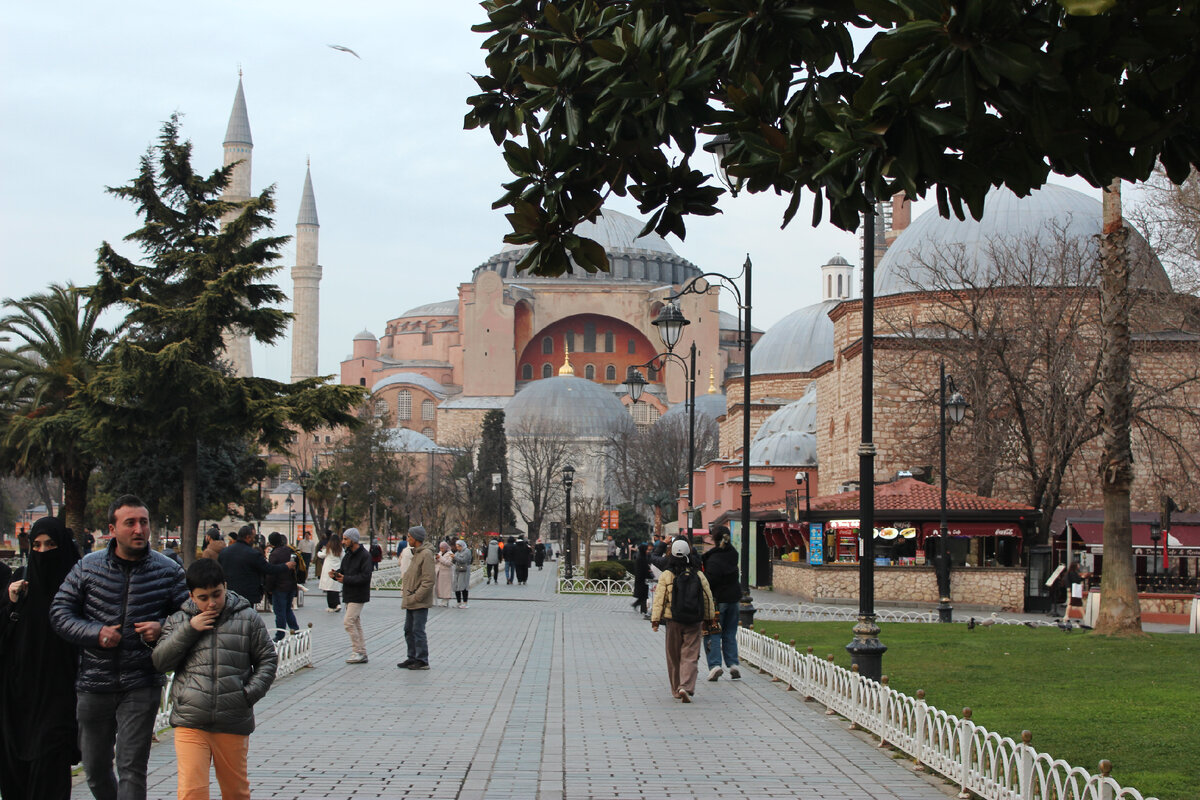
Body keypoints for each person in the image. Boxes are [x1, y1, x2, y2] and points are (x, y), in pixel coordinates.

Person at [49, 494, 188, 800]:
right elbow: (59, 612)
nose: (139, 529)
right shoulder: (88, 567)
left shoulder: (168, 570)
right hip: (94, 682)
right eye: (130, 523)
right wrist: (94, 632)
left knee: (132, 766)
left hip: (142, 682)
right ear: (112, 529)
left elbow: (191, 617)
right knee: (96, 769)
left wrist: (163, 627)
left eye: (144, 522)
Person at [152, 558, 278, 800]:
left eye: (216, 594)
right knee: (192, 791)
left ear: (225, 586)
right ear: (191, 596)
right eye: (203, 597)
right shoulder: (179, 620)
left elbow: (268, 660)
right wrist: (190, 629)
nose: (211, 603)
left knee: (235, 791)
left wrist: (247, 694)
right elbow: (160, 662)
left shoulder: (247, 618)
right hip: (191, 720)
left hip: (232, 719)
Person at [1, 516, 82, 799]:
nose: (43, 552)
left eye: (50, 544)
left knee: (49, 772)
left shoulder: (77, 588)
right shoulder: (19, 585)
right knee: (16, 778)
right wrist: (10, 603)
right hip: (17, 703)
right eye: (36, 545)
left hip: (58, 698)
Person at [650, 539, 716, 703]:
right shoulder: (698, 575)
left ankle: (676, 688)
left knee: (673, 656)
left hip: (673, 620)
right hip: (694, 620)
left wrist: (655, 619)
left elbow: (659, 598)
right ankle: (685, 686)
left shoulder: (667, 575)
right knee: (690, 654)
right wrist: (710, 618)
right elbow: (708, 598)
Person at [701, 525, 742, 681]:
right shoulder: (733, 554)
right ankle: (733, 664)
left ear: (714, 539)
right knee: (730, 633)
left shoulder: (714, 558)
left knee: (713, 632)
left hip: (718, 600)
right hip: (734, 598)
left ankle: (715, 665)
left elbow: (710, 580)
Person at [219, 525, 289, 608]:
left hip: (229, 593)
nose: (254, 539)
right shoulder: (252, 553)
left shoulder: (224, 552)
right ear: (248, 537)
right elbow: (268, 569)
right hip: (248, 594)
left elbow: (219, 571)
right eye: (253, 537)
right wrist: (286, 566)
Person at [333, 528, 372, 664]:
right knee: (356, 623)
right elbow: (344, 571)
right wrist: (336, 574)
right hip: (349, 593)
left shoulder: (364, 556)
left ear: (353, 540)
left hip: (358, 594)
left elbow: (365, 576)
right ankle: (362, 651)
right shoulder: (348, 554)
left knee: (348, 622)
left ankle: (358, 651)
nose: (343, 542)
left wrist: (346, 579)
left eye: (345, 539)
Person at [398, 526, 434, 670]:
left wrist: (417, 596)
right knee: (409, 629)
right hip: (411, 598)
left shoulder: (426, 554)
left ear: (416, 538)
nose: (408, 539)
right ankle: (411, 657)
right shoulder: (416, 553)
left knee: (418, 630)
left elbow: (428, 580)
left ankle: (422, 659)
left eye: (409, 537)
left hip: (418, 600)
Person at [265, 532, 300, 641]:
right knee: (287, 609)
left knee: (279, 611)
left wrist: (269, 588)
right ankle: (295, 630)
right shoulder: (288, 550)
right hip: (290, 585)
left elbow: (271, 573)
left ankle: (280, 634)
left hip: (279, 587)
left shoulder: (274, 554)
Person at [316, 532, 343, 612]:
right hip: (337, 568)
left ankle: (331, 606)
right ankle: (337, 604)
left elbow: (321, 555)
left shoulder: (328, 549)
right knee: (335, 588)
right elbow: (343, 557)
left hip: (328, 569)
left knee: (329, 589)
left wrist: (318, 552)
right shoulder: (341, 549)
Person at [631, 543, 651, 616]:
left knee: (643, 596)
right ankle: (641, 608)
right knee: (643, 595)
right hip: (642, 579)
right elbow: (644, 569)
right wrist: (650, 575)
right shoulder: (641, 558)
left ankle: (642, 608)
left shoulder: (641, 557)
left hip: (641, 579)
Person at [452, 539, 472, 608]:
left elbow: (463, 560)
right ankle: (458, 602)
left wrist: (455, 557)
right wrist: (453, 558)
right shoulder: (457, 552)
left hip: (464, 570)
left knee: (463, 585)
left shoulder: (467, 551)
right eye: (456, 546)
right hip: (457, 570)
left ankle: (465, 602)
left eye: (459, 546)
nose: (457, 548)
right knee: (456, 585)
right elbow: (454, 561)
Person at [434, 541, 454, 607]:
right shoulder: (440, 553)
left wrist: (440, 558)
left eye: (442, 548)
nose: (441, 549)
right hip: (439, 572)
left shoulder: (450, 554)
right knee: (440, 587)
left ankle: (445, 600)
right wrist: (436, 558)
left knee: (446, 587)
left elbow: (449, 563)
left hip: (446, 573)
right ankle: (441, 600)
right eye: (440, 548)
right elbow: (436, 561)